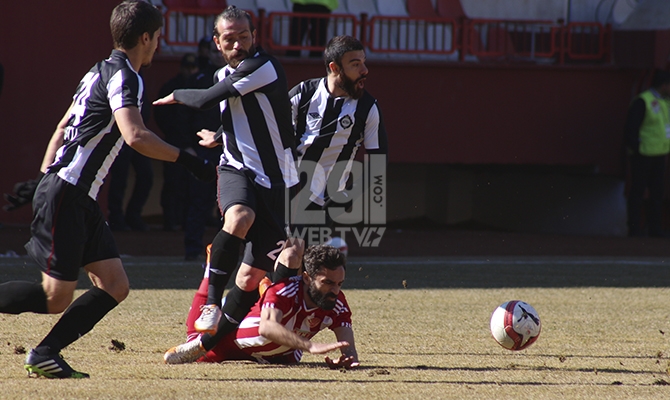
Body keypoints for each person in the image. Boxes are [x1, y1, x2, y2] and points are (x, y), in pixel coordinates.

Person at [0, 0, 215, 379]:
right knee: (55, 298)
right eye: (158, 37)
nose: (159, 44)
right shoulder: (127, 76)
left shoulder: (97, 71)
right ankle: (44, 353)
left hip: (74, 194)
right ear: (145, 37)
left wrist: (43, 176)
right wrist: (189, 161)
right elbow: (135, 135)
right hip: (69, 193)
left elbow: (65, 125)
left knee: (115, 284)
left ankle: (46, 351)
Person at [153, 6, 301, 361]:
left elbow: (206, 99)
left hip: (278, 181)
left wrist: (176, 95)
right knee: (238, 218)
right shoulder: (226, 73)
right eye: (230, 39)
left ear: (254, 37)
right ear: (218, 42)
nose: (238, 44)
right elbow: (239, 113)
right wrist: (221, 137)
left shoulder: (263, 66)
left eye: (244, 36)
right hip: (237, 169)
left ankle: (204, 345)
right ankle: (211, 305)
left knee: (249, 278)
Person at [164, 244, 359, 369]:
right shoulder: (286, 291)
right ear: (306, 278)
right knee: (196, 340)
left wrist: (346, 360)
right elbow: (266, 328)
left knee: (292, 357)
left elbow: (349, 349)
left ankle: (264, 290)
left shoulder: (337, 302)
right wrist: (310, 346)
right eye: (328, 283)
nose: (335, 290)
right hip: (229, 343)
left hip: (281, 356)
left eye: (339, 284)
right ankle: (211, 267)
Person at [289, 35, 388, 238]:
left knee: (298, 257)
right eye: (355, 64)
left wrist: (347, 196)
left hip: (324, 197)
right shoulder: (304, 94)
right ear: (334, 68)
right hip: (286, 187)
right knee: (270, 258)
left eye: (364, 63)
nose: (364, 71)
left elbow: (377, 162)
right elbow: (270, 130)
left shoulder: (368, 108)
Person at [155, 53, 199, 232]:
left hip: (194, 144)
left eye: (193, 68)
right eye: (187, 68)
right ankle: (170, 220)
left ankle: (183, 220)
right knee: (172, 183)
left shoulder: (198, 85)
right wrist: (173, 135)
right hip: (173, 143)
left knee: (190, 186)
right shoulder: (171, 87)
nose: (189, 71)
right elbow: (161, 115)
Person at [624, 69, 670, 237]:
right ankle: (634, 229)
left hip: (660, 154)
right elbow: (631, 128)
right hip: (643, 155)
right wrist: (636, 149)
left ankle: (655, 229)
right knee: (638, 192)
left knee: (657, 194)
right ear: (664, 85)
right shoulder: (643, 101)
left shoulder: (665, 102)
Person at [106, 77, 154, 232]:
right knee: (119, 179)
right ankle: (116, 218)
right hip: (119, 137)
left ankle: (133, 215)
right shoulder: (120, 78)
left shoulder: (138, 79)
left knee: (146, 176)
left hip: (139, 136)